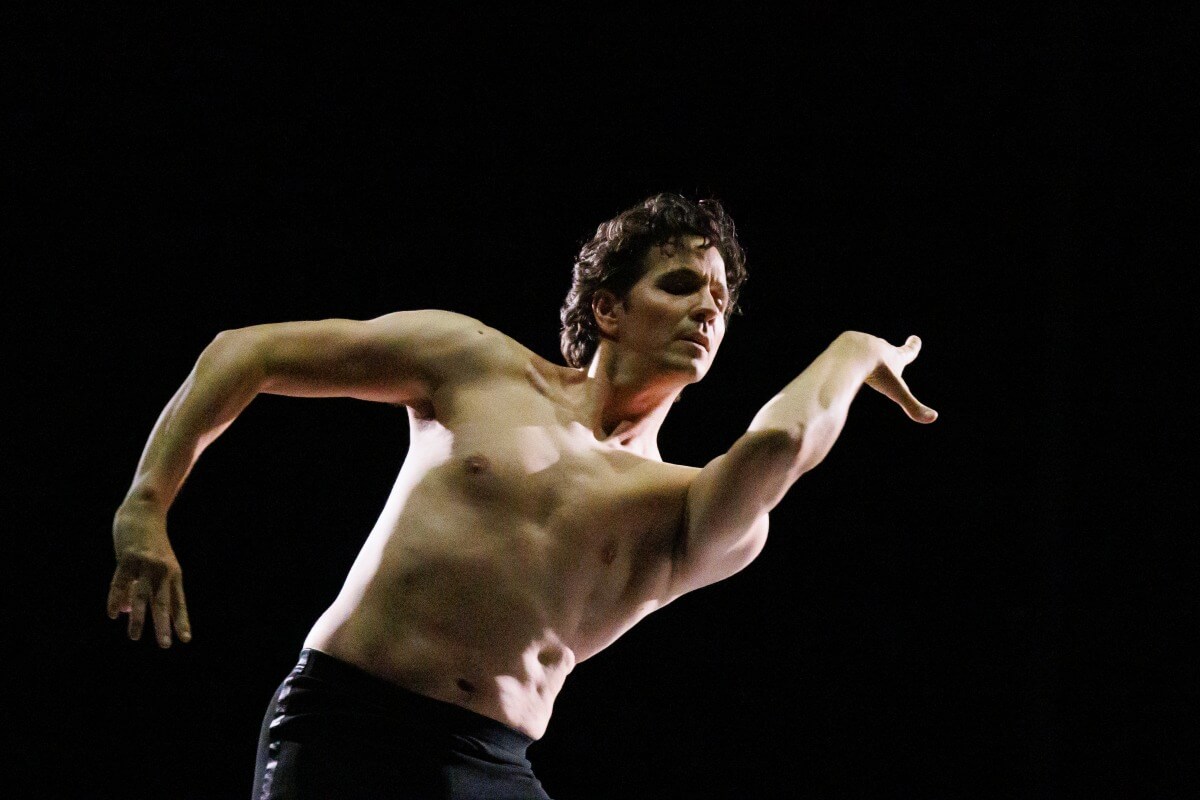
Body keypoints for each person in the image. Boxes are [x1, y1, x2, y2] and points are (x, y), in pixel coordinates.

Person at [107, 193, 937, 799]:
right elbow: (244, 353)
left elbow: (783, 443)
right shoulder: (475, 365)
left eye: (720, 299)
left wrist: (855, 350)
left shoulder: (684, 507)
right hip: (345, 726)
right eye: (681, 285)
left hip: (490, 763)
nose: (707, 311)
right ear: (608, 309)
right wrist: (147, 502)